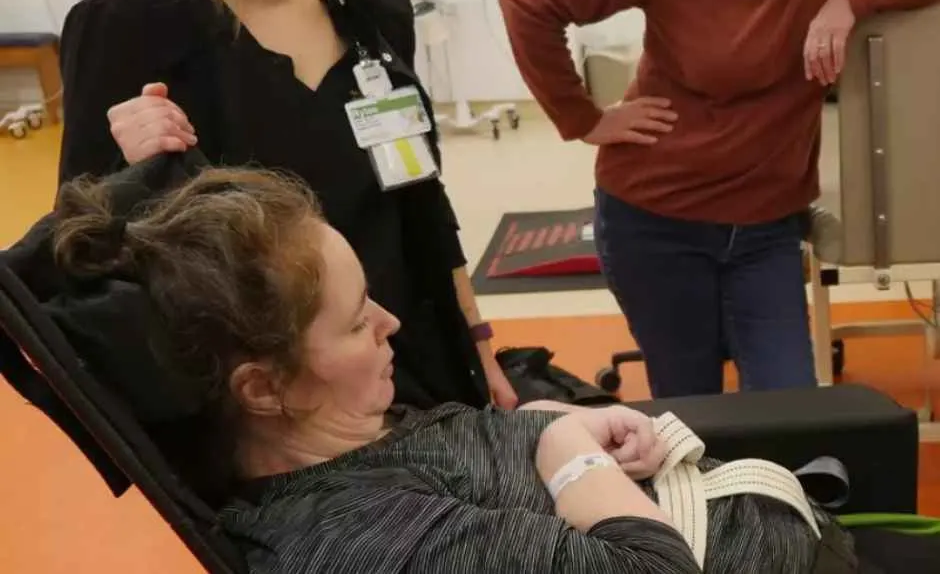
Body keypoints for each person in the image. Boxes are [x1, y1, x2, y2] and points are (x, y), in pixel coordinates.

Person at [50, 162, 924, 574]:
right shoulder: (361, 543)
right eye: (358, 323)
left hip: (790, 524)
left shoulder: (365, 443)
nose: (391, 324)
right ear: (264, 387)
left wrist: (558, 423)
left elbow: (495, 470)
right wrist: (569, 458)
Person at [54, 0, 516, 411]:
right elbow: (79, 247)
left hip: (410, 357)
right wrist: (133, 174)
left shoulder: (372, 6)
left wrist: (477, 343)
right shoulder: (130, 22)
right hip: (263, 400)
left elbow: (421, 199)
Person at [497, 0, 940, 400]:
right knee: (693, 418)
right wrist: (585, 119)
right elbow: (528, 1)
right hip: (656, 222)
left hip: (766, 230)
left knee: (787, 411)